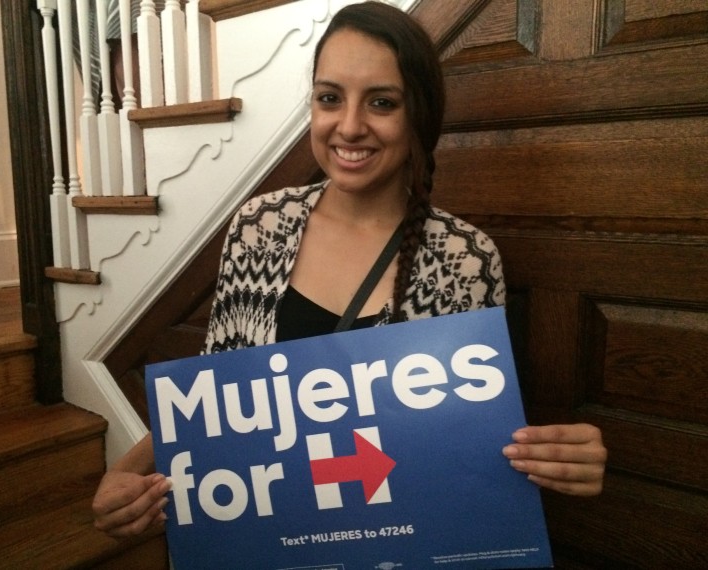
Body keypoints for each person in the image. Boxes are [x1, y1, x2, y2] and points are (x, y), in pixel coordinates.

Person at [92, 1, 607, 538]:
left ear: (418, 117)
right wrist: (124, 476)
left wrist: (557, 460)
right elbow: (216, 397)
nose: (350, 126)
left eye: (382, 102)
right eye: (330, 98)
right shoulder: (260, 226)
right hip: (272, 536)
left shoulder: (463, 259)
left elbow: (464, 437)